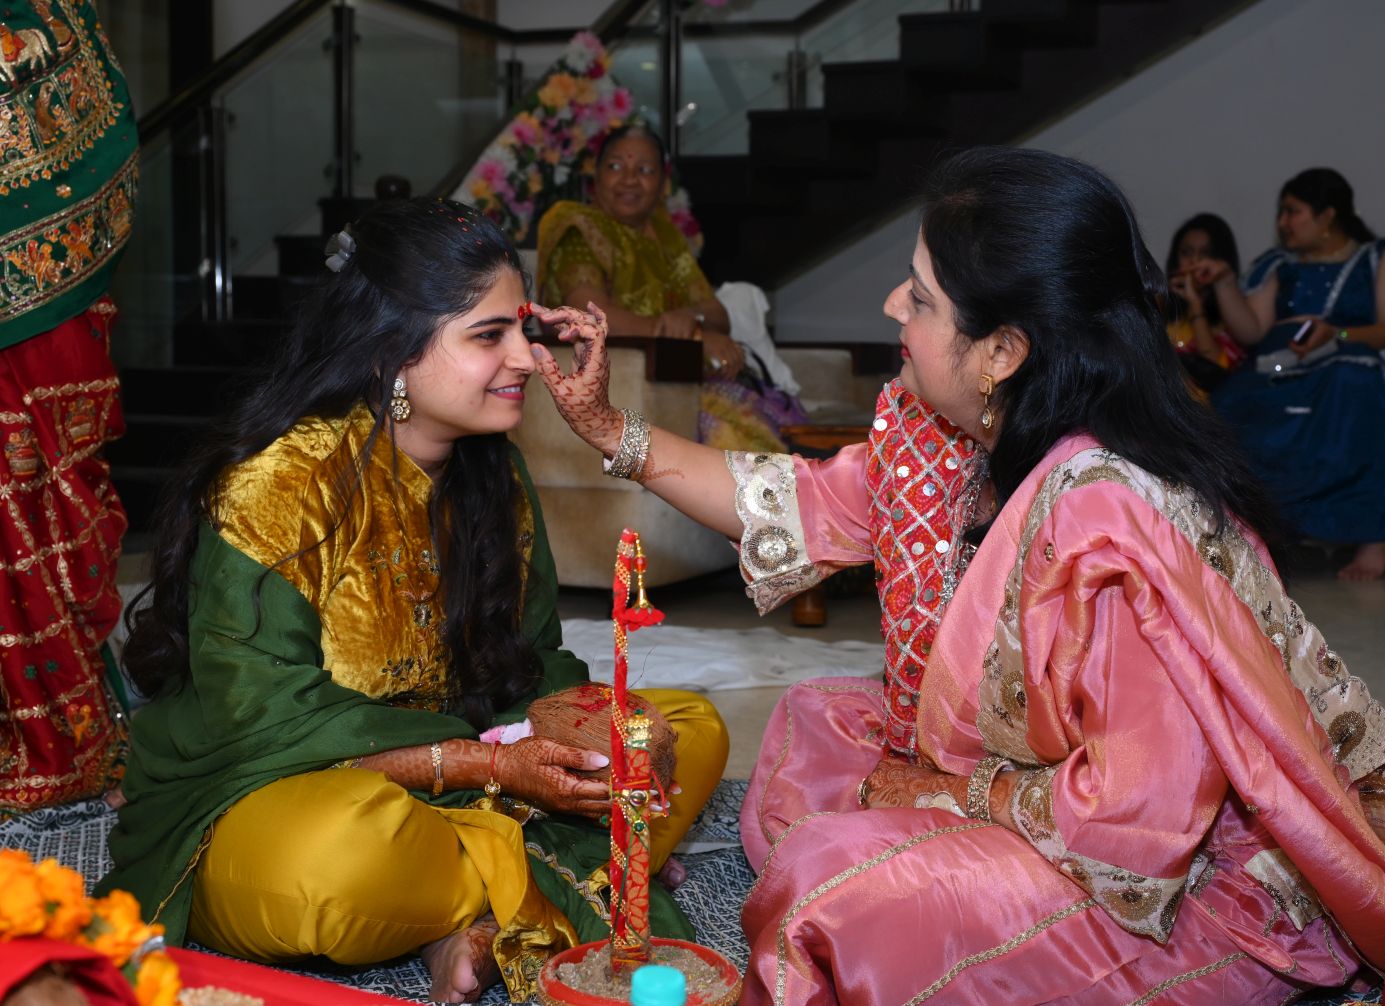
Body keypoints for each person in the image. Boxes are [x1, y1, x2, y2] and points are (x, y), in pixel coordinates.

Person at [530, 148, 1385, 1004]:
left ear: (1003, 352)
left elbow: (1136, 822)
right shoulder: (950, 437)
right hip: (1039, 774)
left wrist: (949, 795)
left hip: (1178, 870)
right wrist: (610, 428)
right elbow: (790, 500)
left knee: (822, 896)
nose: (892, 303)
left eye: (921, 297)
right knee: (817, 723)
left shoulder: (1114, 522)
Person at [98, 200, 728, 1005]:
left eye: (522, 331)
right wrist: (484, 766)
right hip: (292, 791)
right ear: (390, 350)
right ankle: (541, 887)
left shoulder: (494, 475)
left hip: (472, 783)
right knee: (333, 862)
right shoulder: (281, 485)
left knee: (685, 730)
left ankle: (470, 915)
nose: (527, 360)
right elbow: (258, 720)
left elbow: (535, 662)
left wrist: (585, 737)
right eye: (488, 336)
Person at [1194, 168, 1385, 580]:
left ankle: (1376, 536)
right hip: (1280, 369)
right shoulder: (1279, 264)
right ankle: (1258, 532)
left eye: (1293, 211)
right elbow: (1251, 331)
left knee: (1353, 385)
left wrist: (1337, 334)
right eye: (1281, 212)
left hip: (1345, 365)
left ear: (1327, 215)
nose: (1283, 222)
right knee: (1232, 399)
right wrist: (1226, 283)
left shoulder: (1376, 258)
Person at [0, 0, 137, 814]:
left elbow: (92, 134)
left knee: (41, 493)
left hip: (45, 311)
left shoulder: (49, 17)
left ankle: (57, 735)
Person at [536, 123, 803, 452]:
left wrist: (690, 320)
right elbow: (588, 316)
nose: (629, 179)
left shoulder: (664, 236)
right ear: (597, 176)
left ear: (662, 184)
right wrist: (685, 338)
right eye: (616, 166)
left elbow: (717, 314)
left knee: (775, 424)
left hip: (678, 377)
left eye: (645, 170)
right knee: (738, 439)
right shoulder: (578, 228)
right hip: (618, 381)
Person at [1164, 213, 1246, 394]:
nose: (1194, 261)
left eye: (1205, 254)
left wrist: (1195, 304)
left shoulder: (1235, 318)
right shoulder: (1160, 306)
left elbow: (1214, 370)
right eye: (1186, 252)